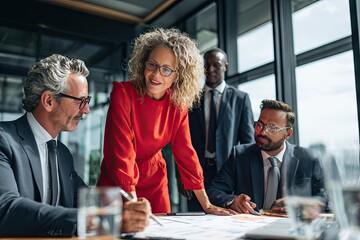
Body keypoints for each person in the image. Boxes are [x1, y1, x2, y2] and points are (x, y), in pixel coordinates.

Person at [0, 54, 150, 237]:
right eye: (80, 101)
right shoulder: (4, 140)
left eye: (87, 101)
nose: (86, 110)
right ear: (49, 101)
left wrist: (131, 210)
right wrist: (94, 219)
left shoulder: (62, 154)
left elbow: (86, 200)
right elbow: (6, 209)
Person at [96, 28, 235, 215]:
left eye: (166, 69)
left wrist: (207, 205)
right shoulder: (123, 94)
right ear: (143, 64)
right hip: (118, 181)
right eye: (152, 65)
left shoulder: (178, 105)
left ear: (178, 75)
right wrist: (132, 203)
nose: (156, 75)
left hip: (154, 180)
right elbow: (122, 153)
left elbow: (185, 152)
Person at [207, 99, 328, 214]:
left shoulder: (309, 158)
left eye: (272, 128)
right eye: (260, 124)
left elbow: (328, 199)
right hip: (250, 228)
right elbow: (214, 191)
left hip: (291, 229)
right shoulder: (239, 155)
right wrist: (232, 202)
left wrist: (300, 205)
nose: (262, 132)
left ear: (288, 133)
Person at [179, 48, 255, 211]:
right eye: (206, 65)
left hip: (227, 172)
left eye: (216, 65)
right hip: (197, 170)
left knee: (227, 217)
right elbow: (181, 139)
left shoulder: (240, 98)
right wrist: (182, 175)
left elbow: (248, 142)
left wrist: (245, 177)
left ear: (225, 66)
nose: (210, 69)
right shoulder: (191, 99)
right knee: (196, 219)